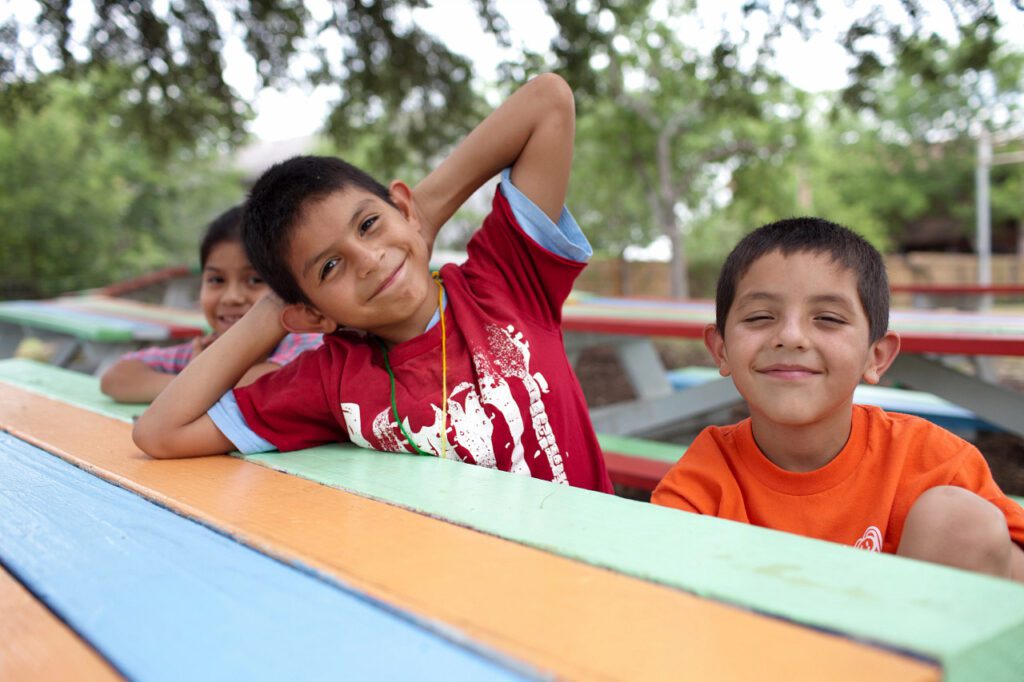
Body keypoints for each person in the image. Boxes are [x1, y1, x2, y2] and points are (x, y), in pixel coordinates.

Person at [132, 74, 613, 493]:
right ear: (311, 314)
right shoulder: (332, 380)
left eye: (368, 225)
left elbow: (548, 100)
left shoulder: (504, 282)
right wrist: (273, 311)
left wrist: (421, 213)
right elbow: (160, 432)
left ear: (402, 208)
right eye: (329, 268)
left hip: (600, 583)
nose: (367, 260)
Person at [652, 217, 1024, 581]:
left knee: (959, 519)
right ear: (721, 351)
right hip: (756, 640)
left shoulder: (931, 460)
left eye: (828, 318)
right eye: (761, 316)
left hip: (916, 641)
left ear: (875, 357)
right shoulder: (704, 480)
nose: (791, 336)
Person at [100, 206, 322, 403]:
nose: (231, 297)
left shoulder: (307, 343)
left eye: (255, 280)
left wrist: (198, 381)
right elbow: (116, 378)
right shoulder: (209, 347)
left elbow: (258, 387)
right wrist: (194, 383)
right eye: (216, 280)